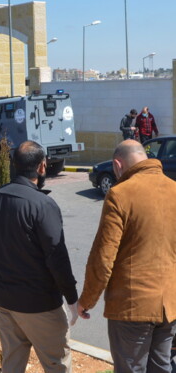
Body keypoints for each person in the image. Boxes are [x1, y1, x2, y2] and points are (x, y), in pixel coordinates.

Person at [78, 140, 176, 372]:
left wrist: (87, 300)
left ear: (117, 164)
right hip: (170, 305)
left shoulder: (120, 194)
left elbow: (103, 256)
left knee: (130, 368)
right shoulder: (174, 189)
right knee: (162, 367)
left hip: (132, 306)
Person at [0, 141, 78, 372]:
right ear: (42, 166)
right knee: (57, 364)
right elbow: (57, 257)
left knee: (12, 363)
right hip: (39, 303)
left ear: (15, 165)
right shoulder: (43, 204)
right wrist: (72, 299)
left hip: (3, 297)